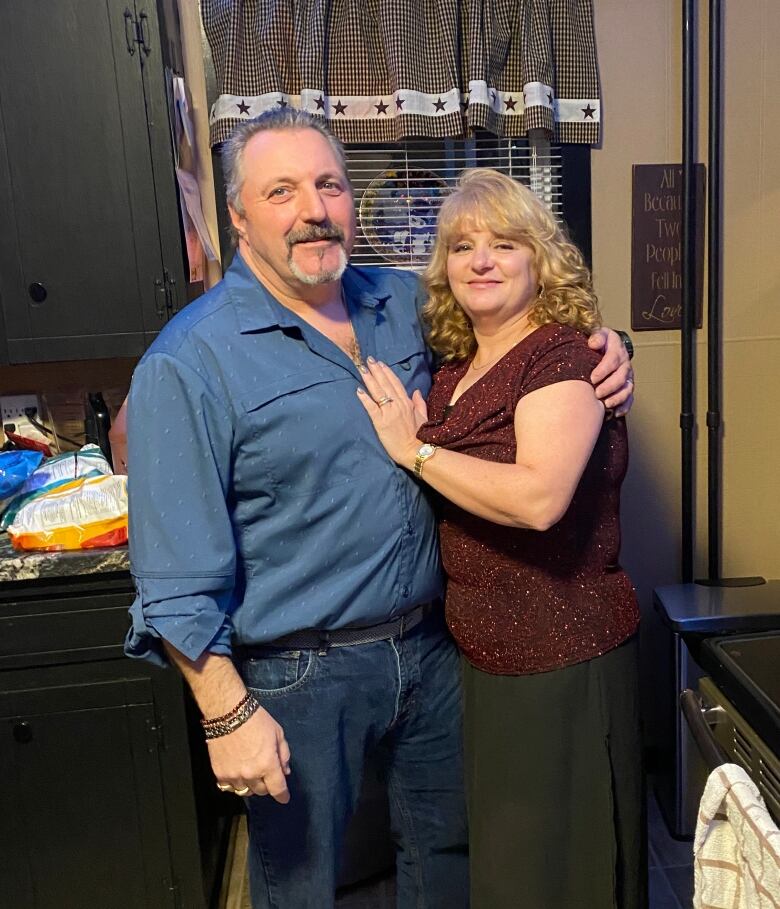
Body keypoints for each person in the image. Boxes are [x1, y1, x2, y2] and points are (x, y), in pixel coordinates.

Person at [124, 110, 635, 909]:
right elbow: (172, 574)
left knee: (451, 862)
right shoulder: (190, 362)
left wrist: (609, 344)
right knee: (300, 884)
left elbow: (525, 335)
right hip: (298, 671)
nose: (313, 209)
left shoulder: (406, 304)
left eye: (329, 184)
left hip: (437, 651)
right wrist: (227, 714)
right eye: (282, 190)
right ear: (238, 215)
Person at [357, 168, 645, 909]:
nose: (481, 259)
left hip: (563, 659)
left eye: (505, 243)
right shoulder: (454, 368)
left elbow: (541, 497)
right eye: (462, 245)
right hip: (486, 661)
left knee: (567, 872)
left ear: (539, 260)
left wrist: (411, 449)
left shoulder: (561, 356)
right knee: (515, 871)